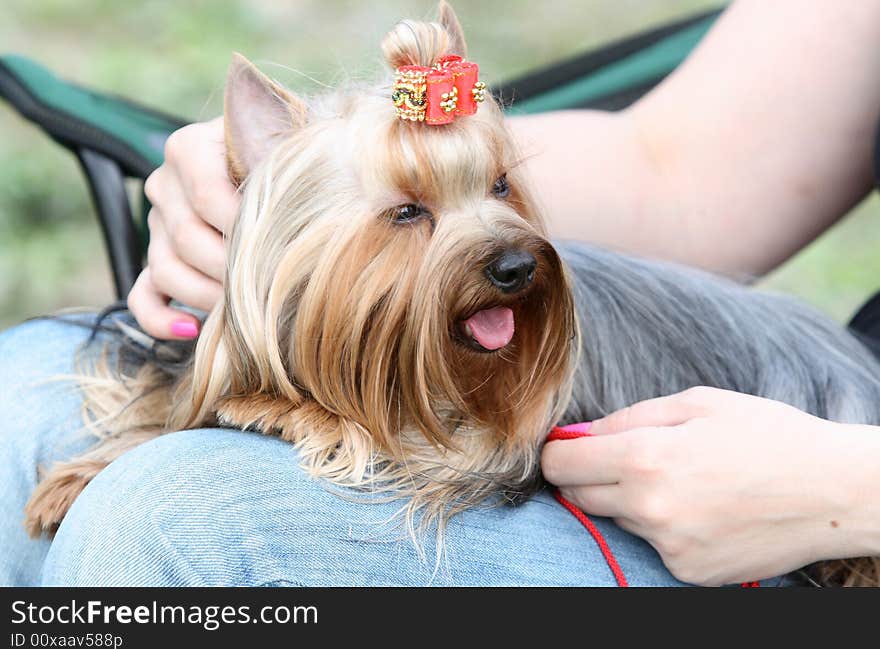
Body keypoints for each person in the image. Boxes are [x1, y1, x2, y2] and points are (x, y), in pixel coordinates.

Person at [2, 0, 879, 586]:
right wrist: (296, 189)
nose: (499, 247)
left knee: (168, 518)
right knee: (19, 391)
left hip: (818, 504)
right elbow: (677, 172)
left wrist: (846, 485)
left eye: (500, 190)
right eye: (413, 212)